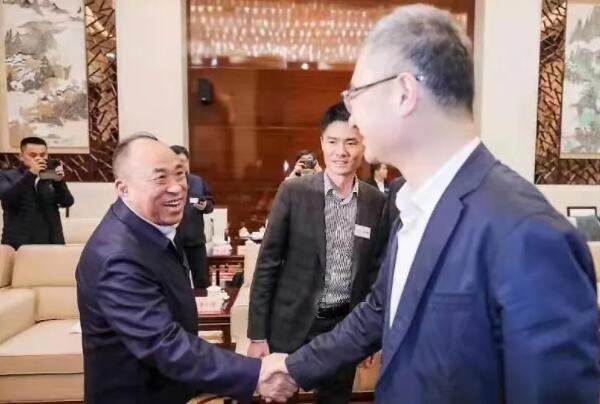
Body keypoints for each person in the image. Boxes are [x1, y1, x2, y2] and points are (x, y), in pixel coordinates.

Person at [271, 5, 599, 403]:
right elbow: (381, 310)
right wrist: (294, 367)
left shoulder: (528, 234)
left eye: (355, 95)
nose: (352, 118)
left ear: (404, 93)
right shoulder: (409, 204)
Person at [76, 133, 296, 404]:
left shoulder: (150, 230)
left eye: (180, 174)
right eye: (160, 178)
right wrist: (255, 374)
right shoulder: (118, 256)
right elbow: (163, 344)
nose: (177, 188)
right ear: (124, 189)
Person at [248, 103, 387, 403]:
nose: (341, 152)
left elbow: (374, 274)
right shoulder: (294, 192)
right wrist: (257, 334)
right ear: (322, 142)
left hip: (344, 330)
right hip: (290, 324)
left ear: (363, 145)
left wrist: (369, 337)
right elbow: (267, 264)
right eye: (333, 142)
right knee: (279, 396)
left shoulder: (376, 202)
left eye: (351, 143)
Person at [0, 136, 74, 249]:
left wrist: (59, 182)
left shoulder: (50, 177)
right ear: (21, 156)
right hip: (18, 245)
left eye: (43, 155)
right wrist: (31, 173)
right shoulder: (6, 176)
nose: (39, 159)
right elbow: (8, 198)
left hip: (52, 243)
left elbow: (67, 202)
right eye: (33, 155)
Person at [171, 145, 213, 288]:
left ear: (188, 162)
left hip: (196, 240)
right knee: (178, 282)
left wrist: (205, 206)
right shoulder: (166, 184)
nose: (181, 165)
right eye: (176, 162)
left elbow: (210, 204)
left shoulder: (197, 181)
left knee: (202, 281)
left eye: (183, 161)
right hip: (173, 242)